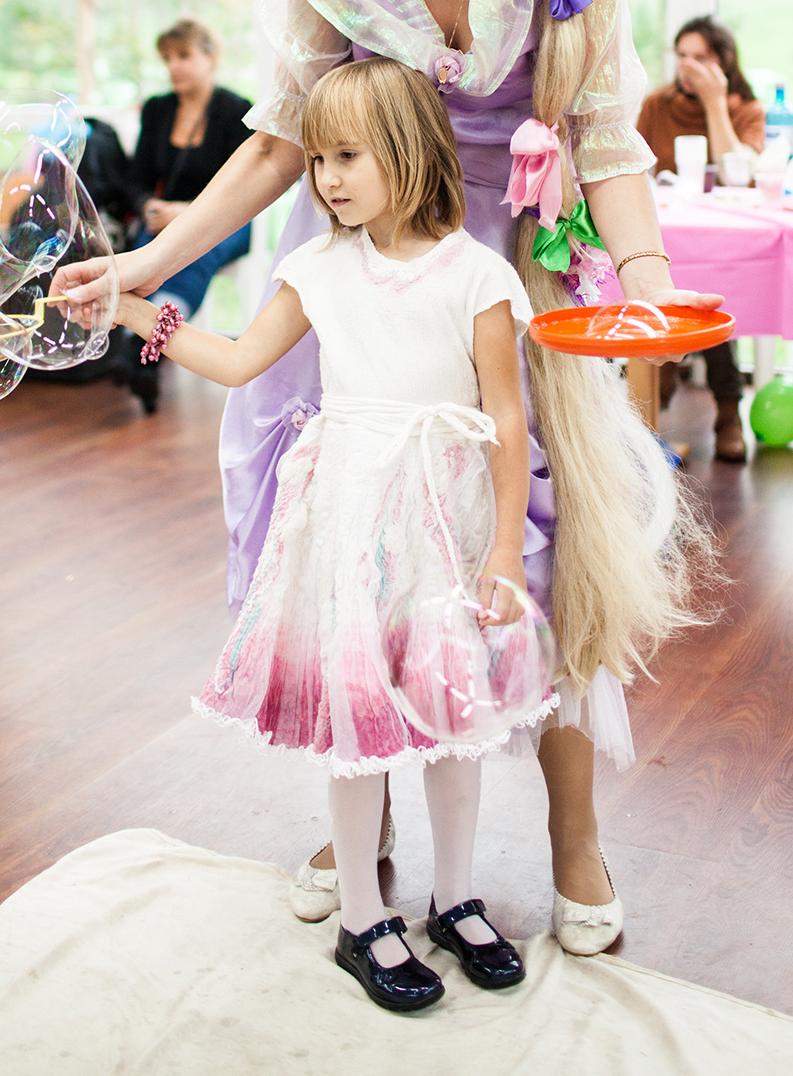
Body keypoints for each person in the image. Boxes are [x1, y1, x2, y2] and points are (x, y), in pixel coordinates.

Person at [57, 0, 718, 955]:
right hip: (362, 268)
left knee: (539, 552)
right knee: (345, 547)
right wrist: (146, 257)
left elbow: (606, 136)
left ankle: (575, 835)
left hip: (518, 263)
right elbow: (283, 137)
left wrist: (641, 278)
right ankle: (358, 828)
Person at [117, 59, 534, 1010]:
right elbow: (232, 360)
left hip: (448, 518)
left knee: (452, 719)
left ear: (411, 153)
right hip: (351, 519)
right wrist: (133, 310)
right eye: (318, 162)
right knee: (359, 721)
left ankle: (457, 897)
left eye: (347, 157)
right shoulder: (314, 270)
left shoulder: (479, 275)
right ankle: (360, 917)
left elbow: (507, 420)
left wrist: (505, 547)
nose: (327, 180)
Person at [636, 16, 766, 462]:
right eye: (683, 56)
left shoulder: (745, 110)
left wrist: (715, 103)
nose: (689, 66)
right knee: (658, 299)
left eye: (702, 57)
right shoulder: (657, 105)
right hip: (670, 234)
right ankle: (650, 413)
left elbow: (741, 173)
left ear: (724, 63)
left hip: (723, 240)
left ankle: (729, 413)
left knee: (714, 302)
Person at [120, 18, 253, 413]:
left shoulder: (236, 110)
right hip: (168, 220)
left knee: (198, 247)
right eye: (167, 59)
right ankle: (143, 343)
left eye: (183, 55)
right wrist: (149, 205)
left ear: (210, 58)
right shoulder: (159, 109)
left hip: (230, 221)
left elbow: (245, 187)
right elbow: (137, 178)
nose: (173, 66)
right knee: (148, 249)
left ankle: (145, 343)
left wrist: (188, 212)